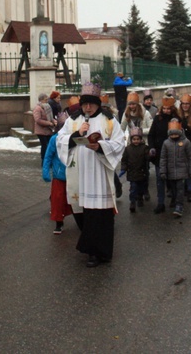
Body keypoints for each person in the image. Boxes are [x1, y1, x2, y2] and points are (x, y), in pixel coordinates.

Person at [56, 82, 125, 268]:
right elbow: (60, 139)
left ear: (98, 104)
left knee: (102, 215)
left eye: (91, 104)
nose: (87, 107)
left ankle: (103, 252)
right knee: (88, 214)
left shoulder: (109, 120)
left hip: (100, 174)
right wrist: (76, 135)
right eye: (85, 103)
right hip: (83, 175)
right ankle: (92, 252)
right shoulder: (74, 120)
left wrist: (100, 146)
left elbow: (120, 143)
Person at [148, 95, 179, 213]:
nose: (166, 111)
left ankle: (175, 199)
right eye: (164, 108)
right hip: (159, 153)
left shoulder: (176, 120)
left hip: (172, 153)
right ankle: (160, 202)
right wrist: (151, 147)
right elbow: (151, 135)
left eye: (168, 108)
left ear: (172, 109)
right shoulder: (157, 119)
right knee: (160, 179)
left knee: (172, 178)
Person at [159, 120, 191, 218]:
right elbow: (163, 158)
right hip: (170, 172)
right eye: (172, 135)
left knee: (180, 189)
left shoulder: (186, 142)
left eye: (176, 134)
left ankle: (179, 205)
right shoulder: (166, 143)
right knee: (173, 189)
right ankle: (175, 200)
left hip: (182, 171)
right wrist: (163, 171)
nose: (174, 136)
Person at [42, 132, 76, 235]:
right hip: (59, 176)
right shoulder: (55, 139)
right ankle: (59, 223)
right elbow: (48, 156)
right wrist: (45, 172)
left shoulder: (77, 137)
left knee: (76, 200)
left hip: (74, 175)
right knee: (58, 200)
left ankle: (82, 221)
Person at [120, 127, 150, 213]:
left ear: (141, 139)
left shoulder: (144, 148)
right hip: (132, 173)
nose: (136, 141)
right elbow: (124, 160)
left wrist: (150, 154)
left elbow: (147, 158)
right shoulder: (128, 149)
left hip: (142, 172)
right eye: (134, 139)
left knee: (141, 188)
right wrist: (123, 169)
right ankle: (132, 202)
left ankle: (140, 198)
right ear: (131, 139)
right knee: (133, 188)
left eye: (137, 139)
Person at [33, 93, 57, 166]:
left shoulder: (47, 107)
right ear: (41, 100)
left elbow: (50, 117)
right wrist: (49, 123)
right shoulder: (38, 108)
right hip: (41, 131)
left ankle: (48, 161)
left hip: (48, 130)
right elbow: (38, 120)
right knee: (45, 146)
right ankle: (44, 161)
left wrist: (53, 121)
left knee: (49, 146)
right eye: (45, 99)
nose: (47, 101)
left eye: (47, 99)